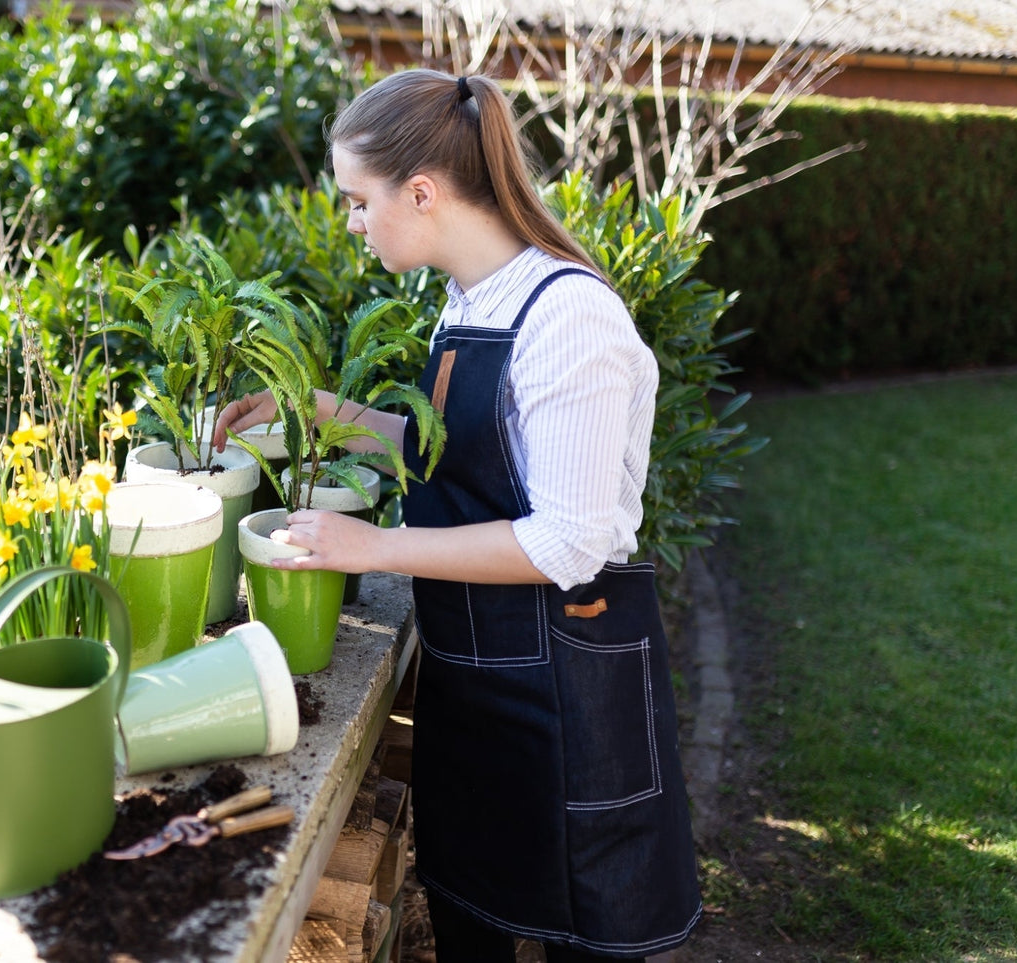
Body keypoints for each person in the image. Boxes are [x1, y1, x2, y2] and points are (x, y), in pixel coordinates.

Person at [213, 68, 701, 962]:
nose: (352, 223)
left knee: (587, 931)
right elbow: (461, 453)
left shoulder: (569, 319)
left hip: (567, 680)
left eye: (358, 202)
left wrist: (373, 543)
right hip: (477, 675)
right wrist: (322, 411)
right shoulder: (469, 300)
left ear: (423, 191)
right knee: (470, 909)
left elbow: (565, 538)